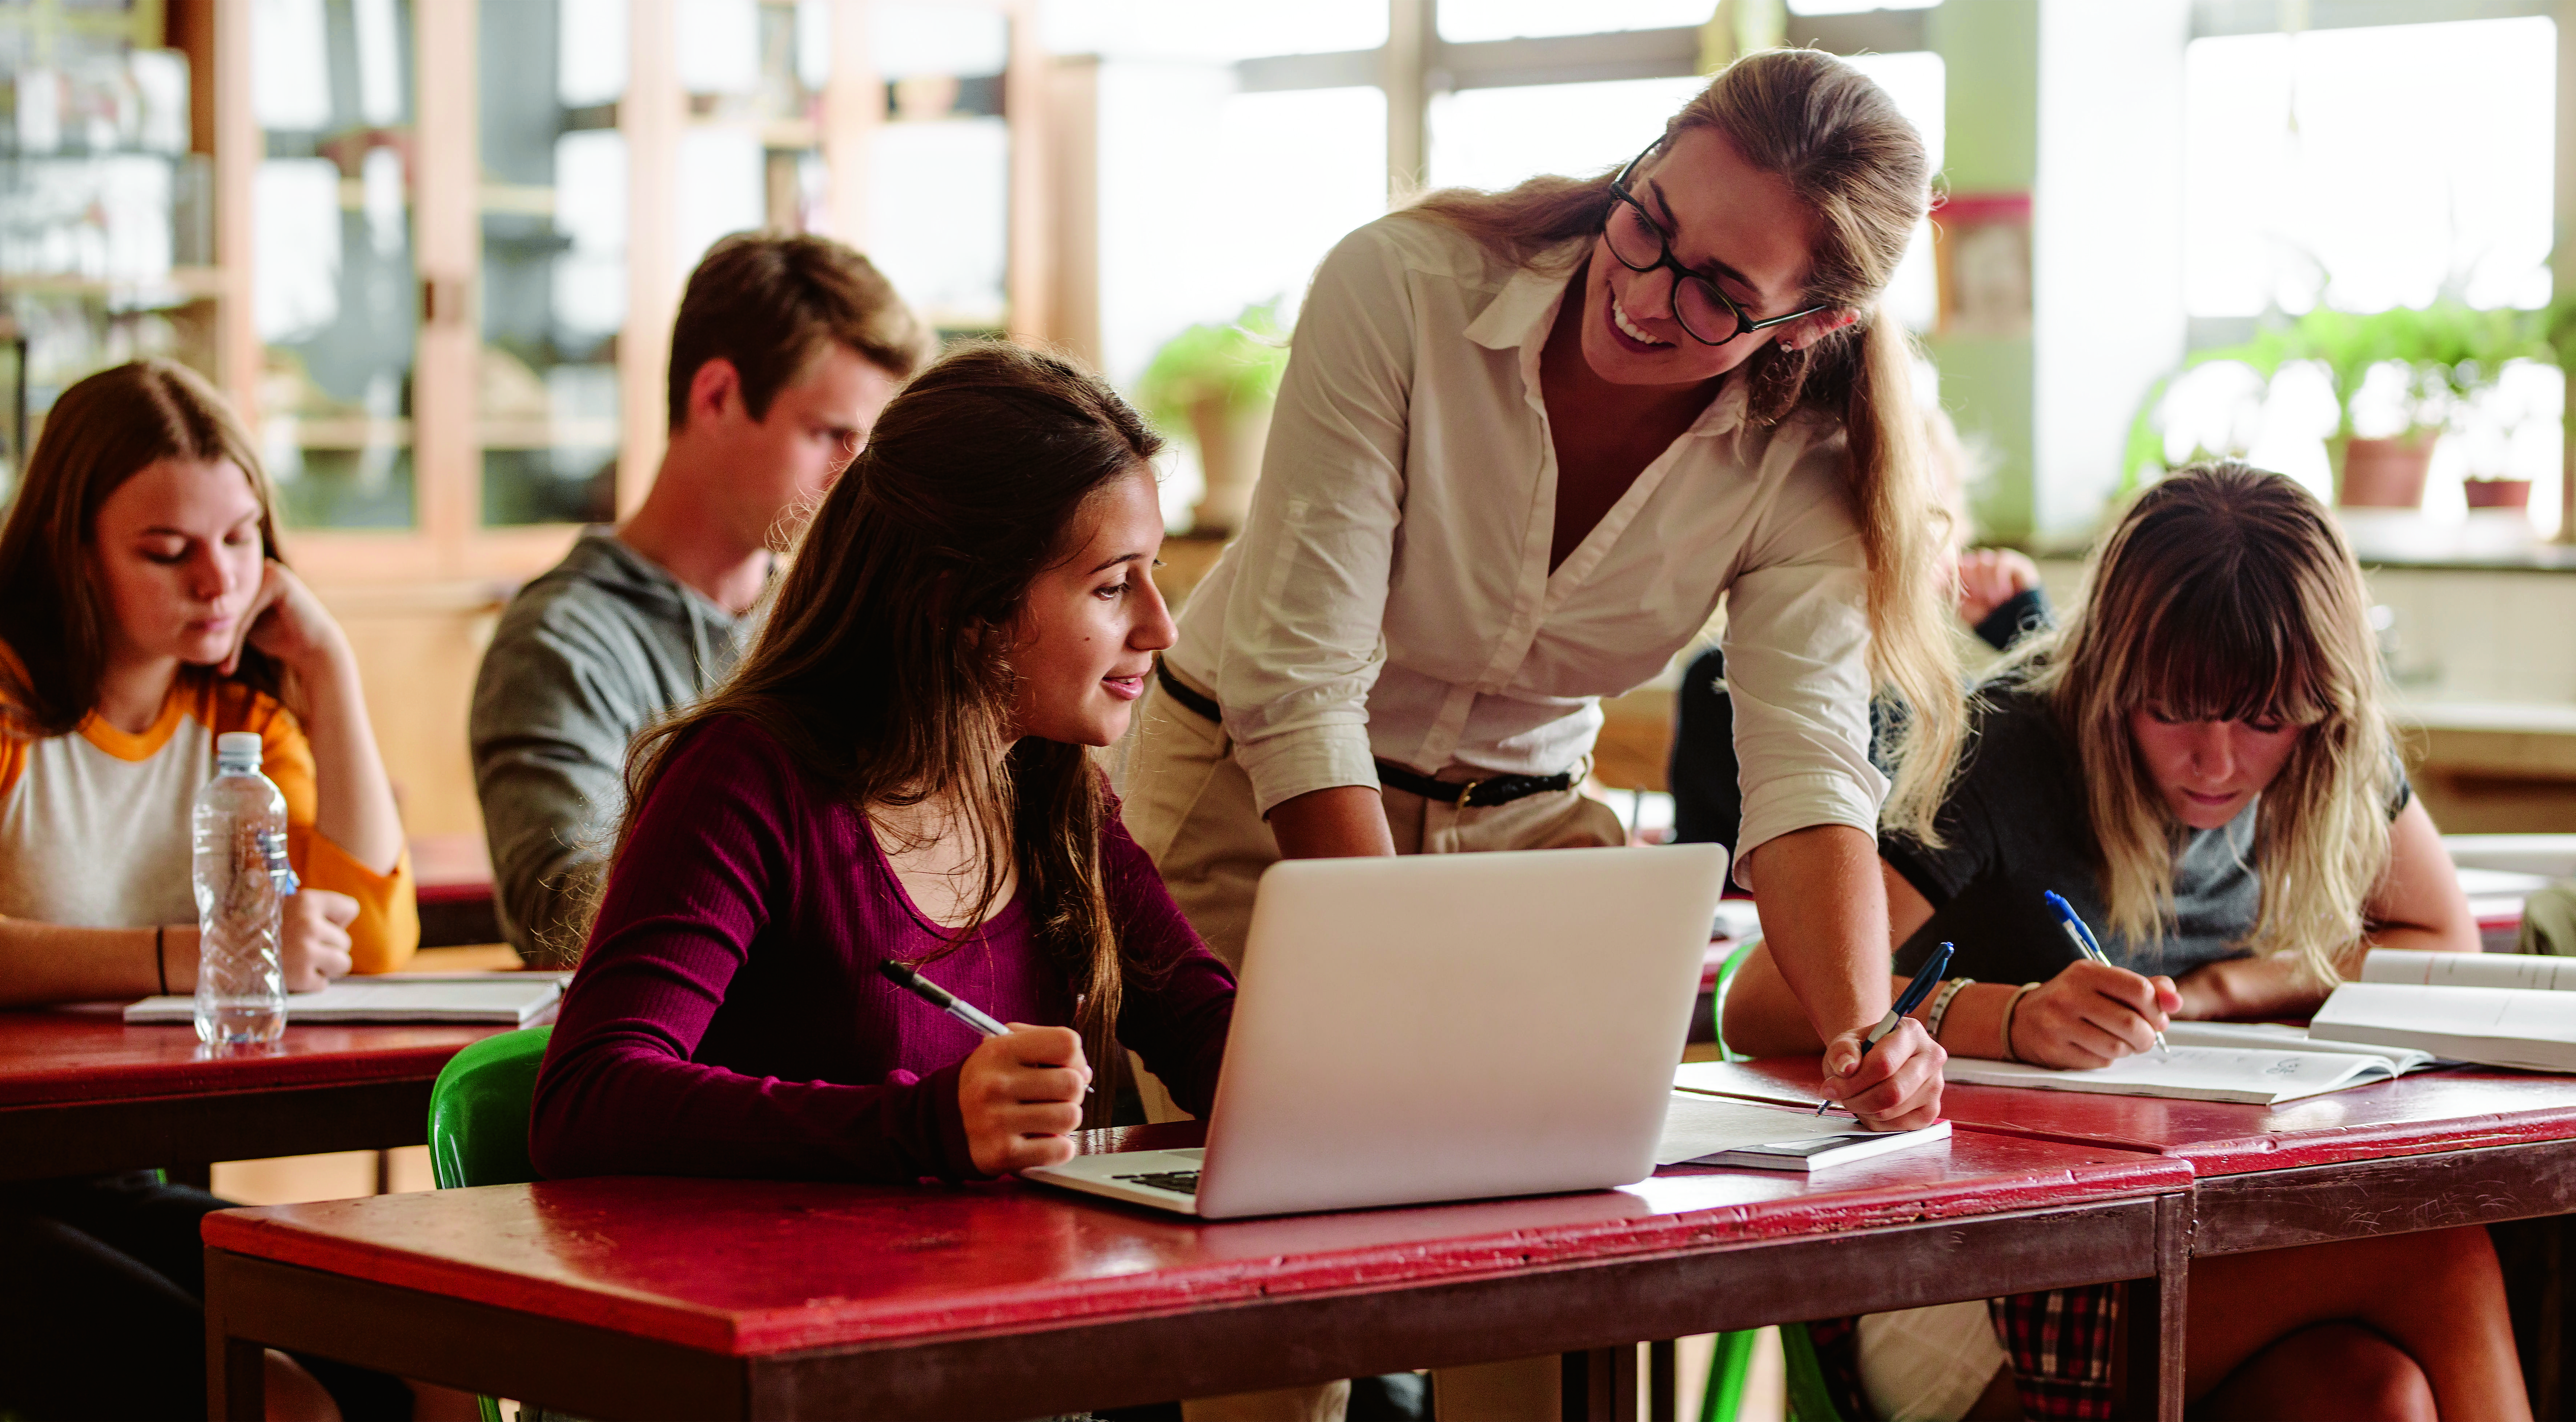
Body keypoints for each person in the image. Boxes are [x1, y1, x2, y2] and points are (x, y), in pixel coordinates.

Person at [1120, 48, 1958, 1141]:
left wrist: (1864, 1036)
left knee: (1549, 1210)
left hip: (1518, 834)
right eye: (1650, 224)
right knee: (1284, 1179)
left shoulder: (1812, 457)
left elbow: (1806, 770)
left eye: (1716, 292)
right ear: (1647, 157)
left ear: (1808, 326)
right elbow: (1298, 684)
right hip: (1256, 798)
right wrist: (1377, 968)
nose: (1645, 295)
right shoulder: (1402, 286)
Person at [1725, 462, 2518, 1422]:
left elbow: (2438, 931)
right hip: (1959, 1278)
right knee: (2432, 1251)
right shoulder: (2007, 744)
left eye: (2262, 719)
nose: (2216, 761)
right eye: (2174, 708)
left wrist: (2225, 986)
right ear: (2109, 676)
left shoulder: (2323, 736)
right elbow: (1758, 991)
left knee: (2370, 1392)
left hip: (2186, 1226)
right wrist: (2008, 1015)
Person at [529, 343, 1234, 1190]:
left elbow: (1205, 1030)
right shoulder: (745, 780)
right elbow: (584, 1100)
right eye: (1112, 586)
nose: (1163, 628)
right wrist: (924, 1123)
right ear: (961, 601)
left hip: (985, 1290)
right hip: (785, 1304)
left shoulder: (1055, 789)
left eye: (1151, 574)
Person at [0, 360, 430, 1420]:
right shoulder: (8, 703)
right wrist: (179, 953)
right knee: (283, 1401)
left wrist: (330, 666)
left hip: (105, 1172)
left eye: (240, 539)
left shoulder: (241, 720)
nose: (219, 580)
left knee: (433, 1365)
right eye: (167, 550)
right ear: (74, 554)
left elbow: (367, 939)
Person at [473, 231, 939, 964]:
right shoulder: (560, 641)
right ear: (717, 395)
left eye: (869, 447)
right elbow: (562, 919)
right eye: (829, 434)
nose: (856, 480)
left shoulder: (838, 621)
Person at [1669, 406, 2049, 850]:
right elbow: (1707, 867)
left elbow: (2069, 800)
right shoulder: (1720, 686)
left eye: (1919, 519)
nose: (1884, 544)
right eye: (1855, 515)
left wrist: (2032, 635)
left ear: (1953, 540)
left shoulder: (1960, 711)